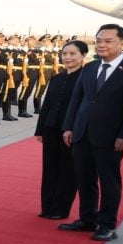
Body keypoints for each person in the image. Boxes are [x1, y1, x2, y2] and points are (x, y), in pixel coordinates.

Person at [60, 24, 123, 242]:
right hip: (82, 133)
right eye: (99, 40)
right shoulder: (90, 68)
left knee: (109, 182)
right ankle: (87, 218)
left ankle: (107, 225)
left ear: (122, 43)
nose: (101, 44)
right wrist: (69, 126)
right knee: (84, 179)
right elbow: (78, 99)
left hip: (111, 137)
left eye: (108, 41)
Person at [35, 40, 86, 219]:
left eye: (73, 54)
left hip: (71, 131)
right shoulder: (56, 77)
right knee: (49, 169)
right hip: (51, 129)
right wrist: (40, 130)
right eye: (65, 54)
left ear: (83, 56)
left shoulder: (85, 78)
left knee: (67, 170)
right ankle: (47, 207)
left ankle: (60, 209)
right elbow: (47, 105)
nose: (68, 57)